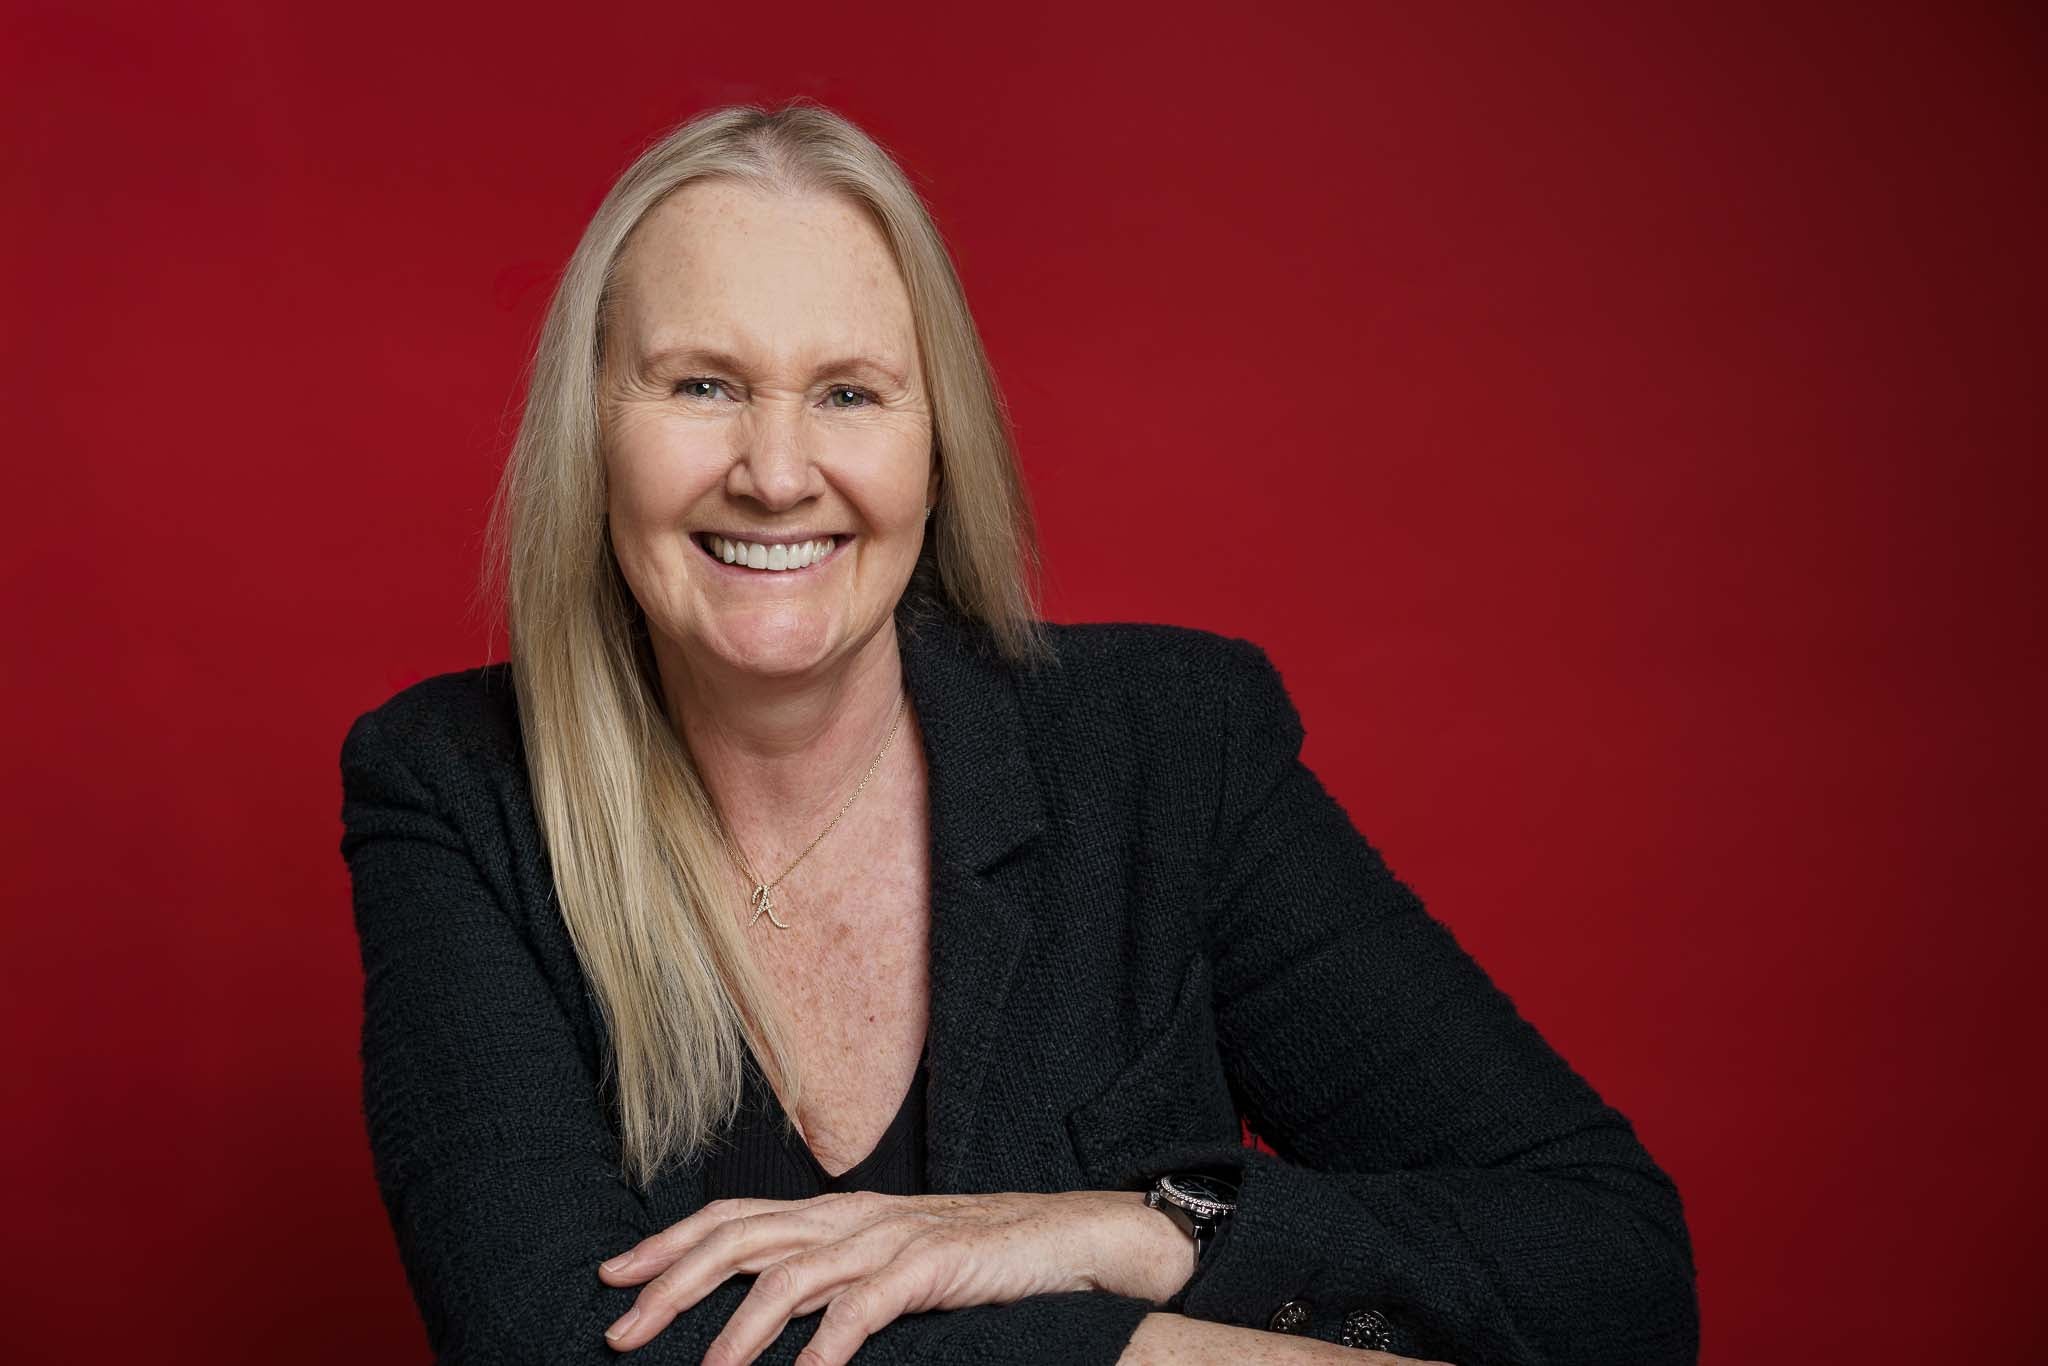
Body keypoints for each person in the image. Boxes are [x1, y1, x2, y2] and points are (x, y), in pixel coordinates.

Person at [337, 99, 1699, 1366]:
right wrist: (1150, 1345)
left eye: (850, 392)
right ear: (593, 430)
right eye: (700, 385)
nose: (773, 469)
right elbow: (560, 1343)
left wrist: (1122, 1230)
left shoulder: (1169, 752)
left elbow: (1613, 1273)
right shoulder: (458, 791)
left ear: (941, 444)